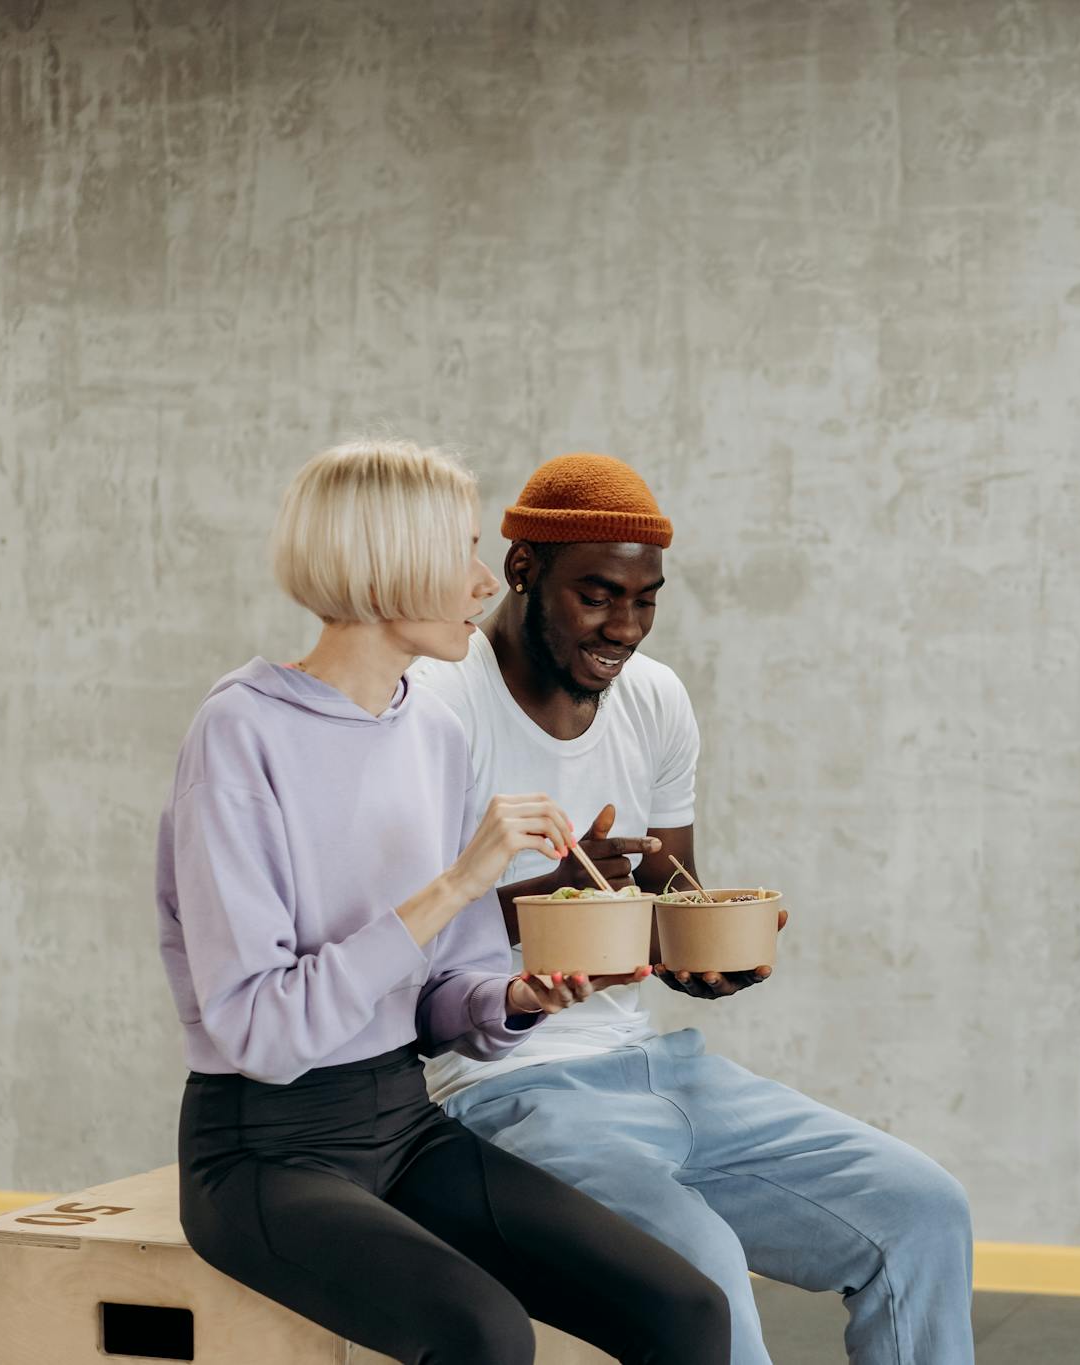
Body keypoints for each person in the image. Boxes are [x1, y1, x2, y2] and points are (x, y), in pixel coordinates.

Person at [156, 439, 730, 1365]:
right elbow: (259, 1032)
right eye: (460, 553)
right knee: (483, 1334)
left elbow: (441, 994)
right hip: (264, 1149)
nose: (479, 583)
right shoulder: (240, 734)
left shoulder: (429, 726)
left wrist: (514, 997)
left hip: (405, 1120)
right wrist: (459, 882)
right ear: (389, 570)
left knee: (687, 1310)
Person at [411, 453, 976, 1365]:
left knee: (922, 1208)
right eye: (597, 595)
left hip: (654, 1066)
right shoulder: (437, 705)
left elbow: (671, 892)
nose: (624, 627)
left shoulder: (655, 700)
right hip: (500, 1090)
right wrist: (548, 898)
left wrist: (713, 959)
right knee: (704, 1273)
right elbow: (398, 946)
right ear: (522, 569)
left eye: (646, 599)